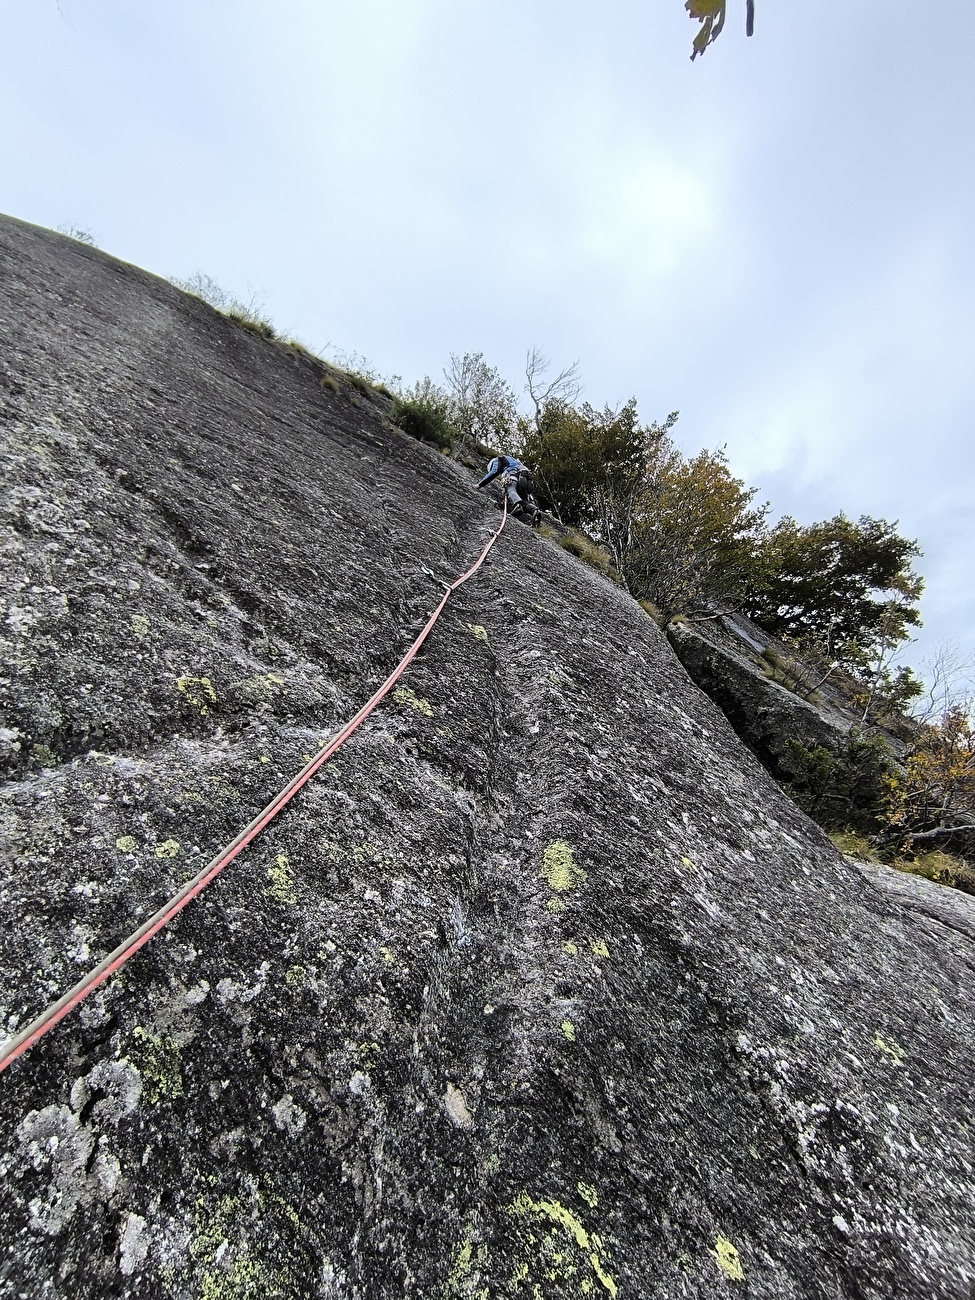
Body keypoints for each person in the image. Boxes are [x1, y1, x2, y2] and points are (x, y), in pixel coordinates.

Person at [477, 454, 540, 524]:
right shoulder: (514, 460)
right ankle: (535, 511)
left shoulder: (497, 459)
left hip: (512, 474)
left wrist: (480, 485)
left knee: (511, 490)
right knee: (524, 500)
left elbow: (494, 471)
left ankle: (517, 505)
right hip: (524, 476)